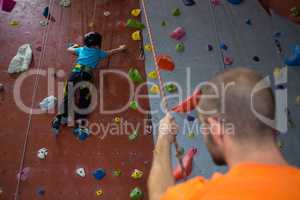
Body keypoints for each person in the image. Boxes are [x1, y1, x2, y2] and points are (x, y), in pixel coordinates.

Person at [148, 68, 300, 200]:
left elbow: (159, 195)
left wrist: (164, 137)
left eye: (205, 126)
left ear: (216, 128)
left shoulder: (204, 195)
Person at [51, 32, 126, 140]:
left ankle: (60, 117)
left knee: (68, 95)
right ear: (97, 45)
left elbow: (69, 50)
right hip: (85, 76)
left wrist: (74, 46)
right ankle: (79, 124)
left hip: (75, 73)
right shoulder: (99, 52)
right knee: (84, 99)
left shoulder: (81, 49)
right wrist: (120, 48)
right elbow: (110, 53)